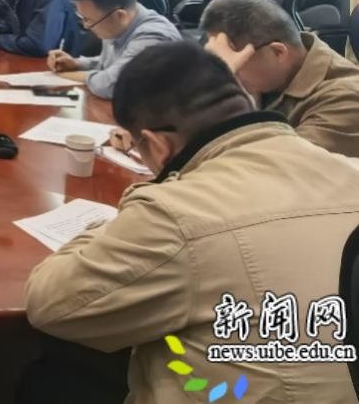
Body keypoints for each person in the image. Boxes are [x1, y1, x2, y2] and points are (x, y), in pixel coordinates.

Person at [25, 41, 359, 403]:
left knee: (51, 377)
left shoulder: (175, 213)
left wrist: (139, 202)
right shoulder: (347, 167)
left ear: (156, 145)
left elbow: (51, 305)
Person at [199, 0, 359, 156]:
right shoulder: (268, 80)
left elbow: (271, 164)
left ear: (278, 52)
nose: (232, 69)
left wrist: (224, 92)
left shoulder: (347, 100)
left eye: (233, 60)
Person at [45, 0, 180, 99]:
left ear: (120, 16)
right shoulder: (116, 21)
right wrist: (77, 64)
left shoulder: (152, 37)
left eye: (89, 20)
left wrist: (64, 75)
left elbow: (113, 84)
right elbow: (110, 63)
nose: (86, 26)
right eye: (83, 18)